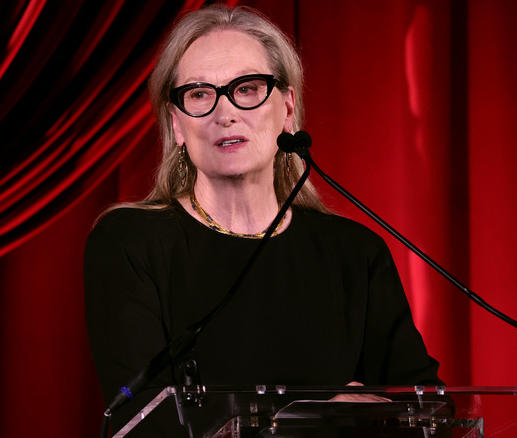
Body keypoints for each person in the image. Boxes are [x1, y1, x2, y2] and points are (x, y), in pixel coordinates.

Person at [84, 4, 442, 435]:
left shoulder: (354, 252)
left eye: (248, 89)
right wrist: (316, 418)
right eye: (199, 93)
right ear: (177, 124)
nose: (224, 112)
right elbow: (143, 423)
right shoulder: (130, 242)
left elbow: (428, 408)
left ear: (287, 107)